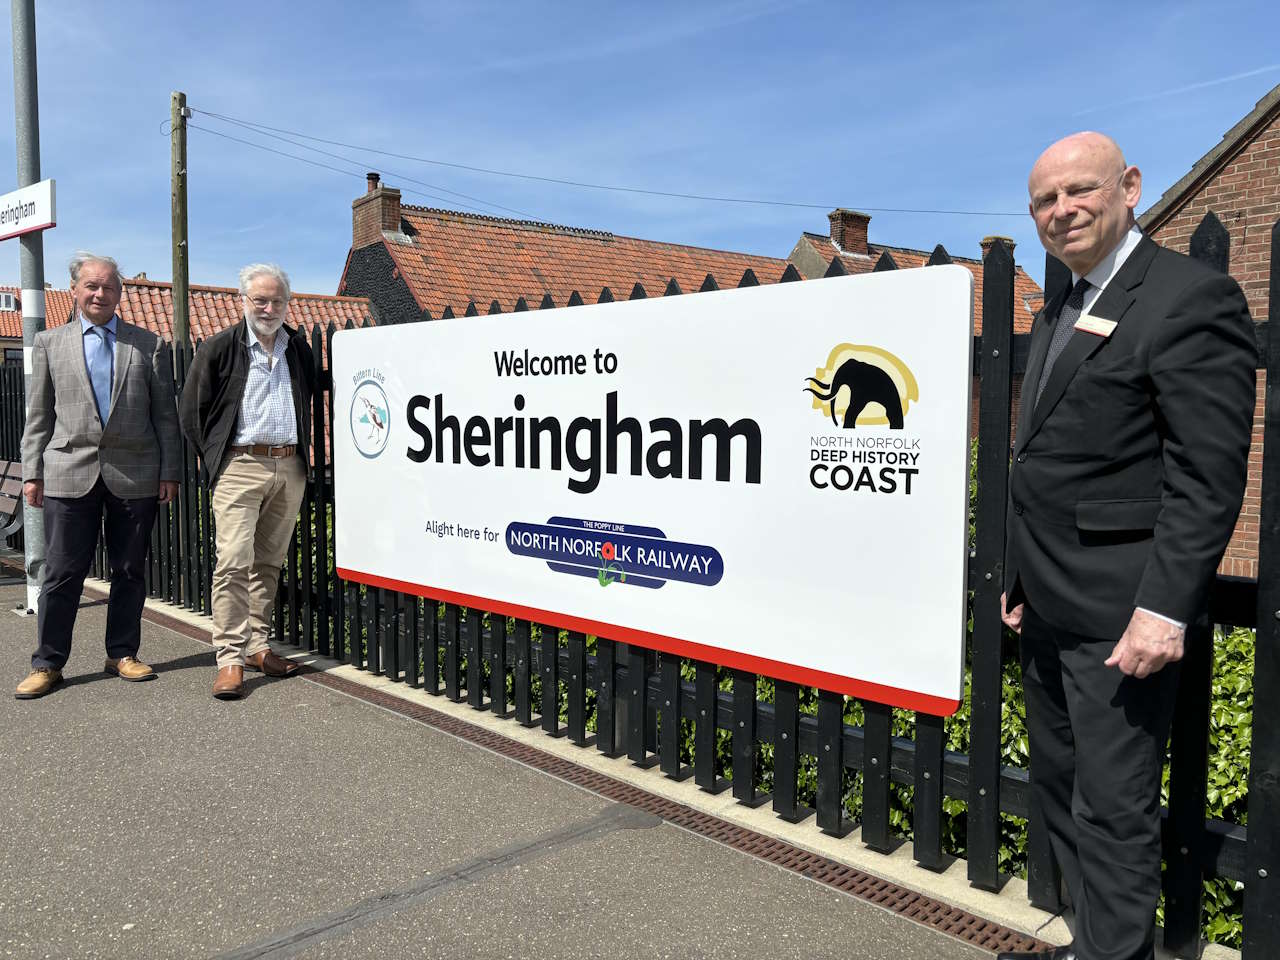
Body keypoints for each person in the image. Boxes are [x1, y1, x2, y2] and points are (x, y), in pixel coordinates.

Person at [998, 133, 1256, 960]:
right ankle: (1094, 946)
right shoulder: (1059, 305)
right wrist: (1019, 577)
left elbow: (1206, 474)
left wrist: (1162, 608)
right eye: (1045, 200)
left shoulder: (1186, 298)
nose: (1062, 210)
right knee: (1061, 786)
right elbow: (1045, 457)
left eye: (1080, 190)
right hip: (1048, 603)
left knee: (1114, 807)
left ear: (1131, 187)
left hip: (1122, 619)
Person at [16, 253, 181, 699]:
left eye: (109, 287)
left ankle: (122, 653)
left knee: (130, 570)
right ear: (74, 289)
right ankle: (48, 662)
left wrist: (170, 471)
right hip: (69, 473)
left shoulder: (148, 345)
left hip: (136, 474)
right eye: (91, 285)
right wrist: (32, 472)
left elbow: (165, 416)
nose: (100, 294)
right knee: (63, 572)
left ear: (119, 293)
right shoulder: (50, 342)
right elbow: (38, 417)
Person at [179, 263, 314, 700]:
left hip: (289, 465)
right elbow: (191, 412)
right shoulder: (221, 348)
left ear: (287, 303)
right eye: (260, 299)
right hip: (239, 465)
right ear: (244, 301)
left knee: (268, 562)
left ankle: (258, 646)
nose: (269, 308)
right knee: (233, 562)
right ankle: (230, 659)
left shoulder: (298, 348)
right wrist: (216, 457)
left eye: (277, 300)